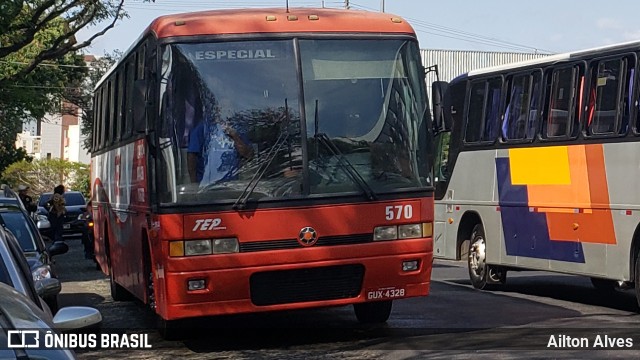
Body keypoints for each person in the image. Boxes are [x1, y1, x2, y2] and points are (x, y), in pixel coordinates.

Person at [186, 97, 253, 187]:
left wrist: (235, 136)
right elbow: (191, 156)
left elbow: (248, 155)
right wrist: (194, 185)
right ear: (217, 110)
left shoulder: (238, 129)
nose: (226, 111)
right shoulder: (204, 128)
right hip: (206, 186)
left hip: (232, 186)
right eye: (223, 108)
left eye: (229, 108)